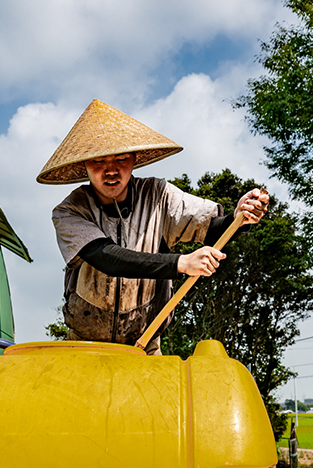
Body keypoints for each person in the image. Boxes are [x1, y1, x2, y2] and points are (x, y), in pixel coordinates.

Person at [37, 99, 269, 355]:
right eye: (99, 162)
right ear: (84, 166)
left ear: (135, 159)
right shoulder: (69, 211)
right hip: (86, 346)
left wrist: (241, 218)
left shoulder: (158, 195)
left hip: (145, 344)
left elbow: (212, 229)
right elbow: (106, 257)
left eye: (121, 158)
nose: (111, 170)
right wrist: (181, 263)